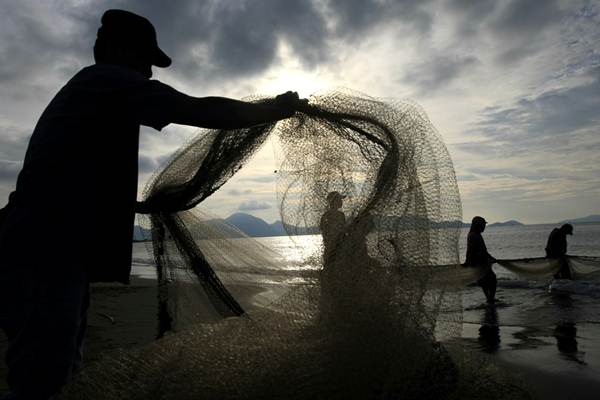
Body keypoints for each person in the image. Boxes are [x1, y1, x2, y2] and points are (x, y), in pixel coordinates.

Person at [0, 9, 305, 400]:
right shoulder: (106, 80)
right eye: (143, 58)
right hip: (40, 249)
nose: (147, 71)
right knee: (40, 378)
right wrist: (271, 110)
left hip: (45, 246)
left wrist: (134, 205)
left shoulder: (97, 92)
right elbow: (196, 109)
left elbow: (73, 174)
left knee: (57, 367)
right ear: (112, 49)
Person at [464, 216, 497, 304]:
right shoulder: (473, 235)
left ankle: (489, 299)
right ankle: (490, 300)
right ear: (478, 225)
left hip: (481, 263)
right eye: (483, 225)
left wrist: (490, 258)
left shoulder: (475, 234)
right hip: (479, 264)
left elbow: (483, 250)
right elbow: (471, 250)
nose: (484, 227)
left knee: (485, 282)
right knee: (492, 280)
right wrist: (468, 262)